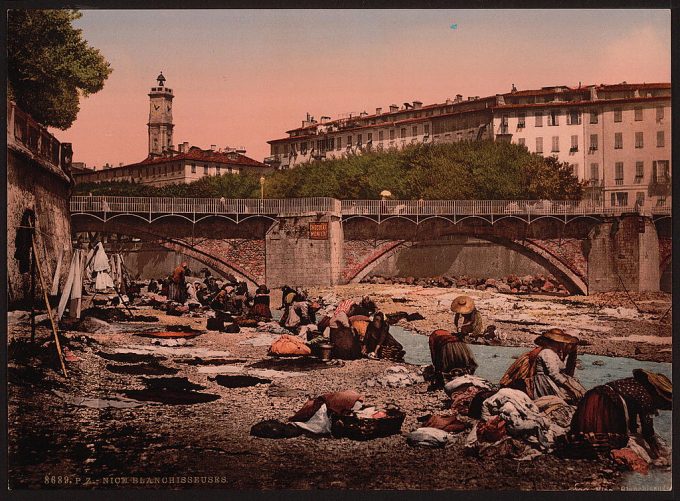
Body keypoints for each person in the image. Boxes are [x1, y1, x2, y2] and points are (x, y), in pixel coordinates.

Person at [568, 369, 671, 457]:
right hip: (604, 404)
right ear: (658, 395)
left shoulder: (634, 383)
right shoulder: (646, 398)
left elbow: (632, 414)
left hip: (591, 398)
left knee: (587, 432)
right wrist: (655, 450)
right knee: (606, 436)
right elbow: (647, 429)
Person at [530, 329, 584, 402]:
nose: (563, 344)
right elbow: (554, 374)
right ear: (555, 343)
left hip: (552, 380)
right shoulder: (547, 353)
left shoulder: (553, 353)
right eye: (561, 342)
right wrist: (572, 388)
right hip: (546, 382)